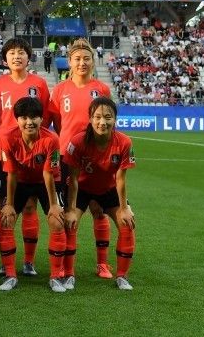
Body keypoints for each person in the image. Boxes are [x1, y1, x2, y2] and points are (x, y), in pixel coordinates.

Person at [48, 38, 119, 280]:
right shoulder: (59, 90)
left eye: (86, 58)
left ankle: (102, 264)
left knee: (99, 211)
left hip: (98, 159)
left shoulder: (102, 89)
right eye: (77, 59)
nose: (82, 63)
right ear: (69, 61)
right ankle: (69, 269)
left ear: (92, 61)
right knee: (70, 212)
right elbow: (57, 123)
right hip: (69, 159)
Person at [0, 38, 51, 277]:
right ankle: (5, 261)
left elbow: (44, 118)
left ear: (28, 57)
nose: (17, 57)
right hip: (2, 154)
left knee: (29, 206)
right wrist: (9, 141)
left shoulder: (39, 84)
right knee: (4, 207)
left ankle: (28, 262)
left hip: (33, 154)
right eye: (12, 53)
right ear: (5, 59)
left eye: (21, 53)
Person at [64, 96, 136, 291]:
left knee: (127, 224)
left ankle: (122, 276)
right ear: (90, 118)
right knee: (69, 224)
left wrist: (125, 208)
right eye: (97, 117)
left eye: (108, 117)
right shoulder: (78, 141)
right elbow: (72, 180)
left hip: (108, 189)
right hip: (82, 189)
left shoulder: (124, 142)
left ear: (115, 120)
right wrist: (70, 209)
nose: (102, 122)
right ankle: (69, 274)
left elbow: (120, 179)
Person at [0, 97, 67, 292]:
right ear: (17, 119)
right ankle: (10, 274)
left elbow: (48, 173)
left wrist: (53, 204)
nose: (29, 122)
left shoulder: (51, 139)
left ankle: (55, 277)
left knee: (57, 221)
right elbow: (10, 173)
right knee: (6, 220)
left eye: (34, 117)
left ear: (42, 119)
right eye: (24, 117)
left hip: (46, 182)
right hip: (20, 181)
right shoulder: (7, 137)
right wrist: (9, 204)